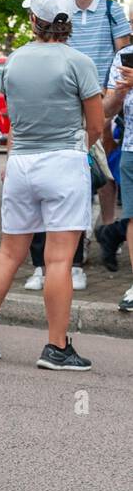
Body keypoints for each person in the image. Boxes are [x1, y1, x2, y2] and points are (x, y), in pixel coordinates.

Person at [0, 0, 104, 370]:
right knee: (59, 258)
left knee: (9, 251)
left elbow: (16, 114)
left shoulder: (13, 62)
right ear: (68, 23)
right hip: (63, 163)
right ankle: (57, 347)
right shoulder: (80, 63)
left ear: (34, 21)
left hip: (22, 162)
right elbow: (95, 125)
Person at [69, 0, 130, 226]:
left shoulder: (110, 9)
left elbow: (124, 56)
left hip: (102, 96)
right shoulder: (63, 12)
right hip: (70, 97)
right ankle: (77, 229)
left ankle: (107, 228)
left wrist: (110, 93)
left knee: (102, 164)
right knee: (73, 164)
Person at [96, 43, 133, 312]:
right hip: (131, 149)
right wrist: (119, 94)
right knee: (132, 217)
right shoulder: (124, 56)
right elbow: (107, 110)